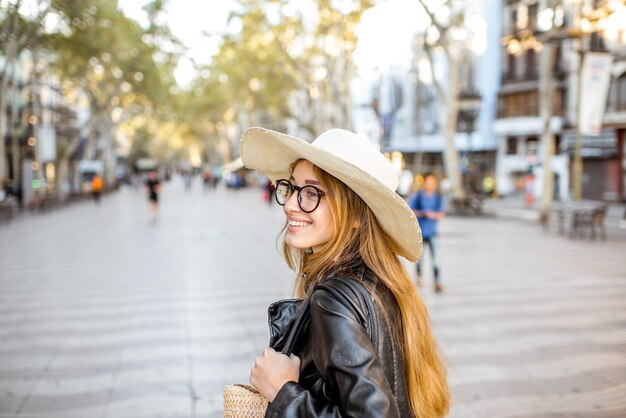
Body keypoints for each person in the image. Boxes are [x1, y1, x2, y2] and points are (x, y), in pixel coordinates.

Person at [241, 128, 449, 417]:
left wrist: (283, 391)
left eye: (312, 192)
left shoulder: (334, 299)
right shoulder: (385, 282)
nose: (290, 204)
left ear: (353, 215)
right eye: (292, 188)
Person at [409, 173, 445, 293]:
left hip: (433, 232)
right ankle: (419, 278)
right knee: (420, 258)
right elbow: (410, 212)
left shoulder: (438, 197)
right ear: (423, 183)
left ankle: (437, 282)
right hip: (420, 233)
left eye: (432, 182)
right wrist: (422, 213)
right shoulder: (417, 196)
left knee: (436, 259)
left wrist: (432, 215)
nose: (430, 185)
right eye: (428, 182)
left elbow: (441, 213)